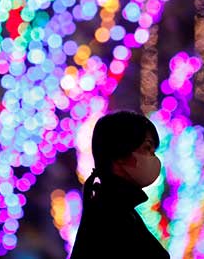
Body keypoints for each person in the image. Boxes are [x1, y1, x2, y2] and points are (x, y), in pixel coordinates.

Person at [70, 111, 170, 259]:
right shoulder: (110, 217)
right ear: (121, 152)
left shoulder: (116, 209)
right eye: (147, 148)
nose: (154, 158)